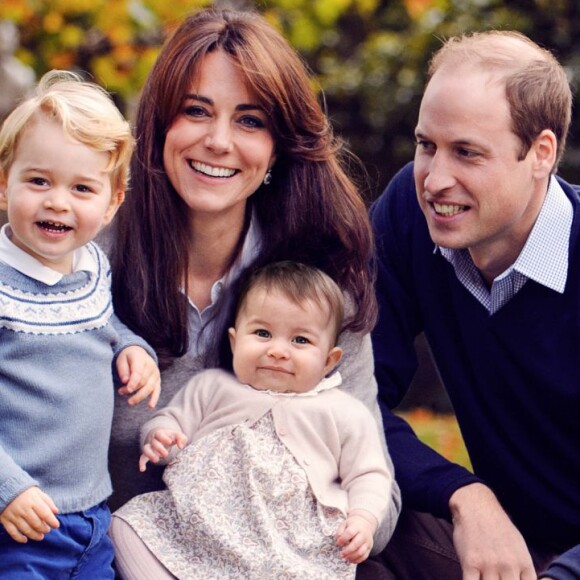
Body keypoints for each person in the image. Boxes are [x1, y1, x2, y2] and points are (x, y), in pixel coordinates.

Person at [106, 7, 401, 563]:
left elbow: (375, 491)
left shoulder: (321, 280)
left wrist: (270, 538)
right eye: (196, 111)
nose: (218, 141)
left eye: (249, 120)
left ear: (277, 147)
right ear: (159, 125)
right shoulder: (89, 256)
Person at [369, 30, 579, 580]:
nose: (436, 180)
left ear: (541, 154)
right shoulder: (410, 216)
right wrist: (464, 495)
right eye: (426, 146)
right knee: (331, 511)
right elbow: (344, 395)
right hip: (497, 548)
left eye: (467, 152)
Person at [109, 261, 395, 580]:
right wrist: (161, 438)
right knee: (125, 525)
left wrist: (363, 519)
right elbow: (172, 425)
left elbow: (369, 474)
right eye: (262, 333)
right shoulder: (212, 387)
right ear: (234, 341)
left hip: (292, 543)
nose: (277, 351)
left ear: (330, 360)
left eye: (300, 340)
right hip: (199, 530)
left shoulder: (342, 411)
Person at [0, 70, 161, 578]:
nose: (58, 201)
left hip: (92, 516)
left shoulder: (90, 267)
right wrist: (8, 487)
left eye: (82, 188)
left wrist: (132, 350)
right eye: (38, 180)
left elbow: (105, 325)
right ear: (4, 185)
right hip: (18, 521)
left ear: (113, 202)